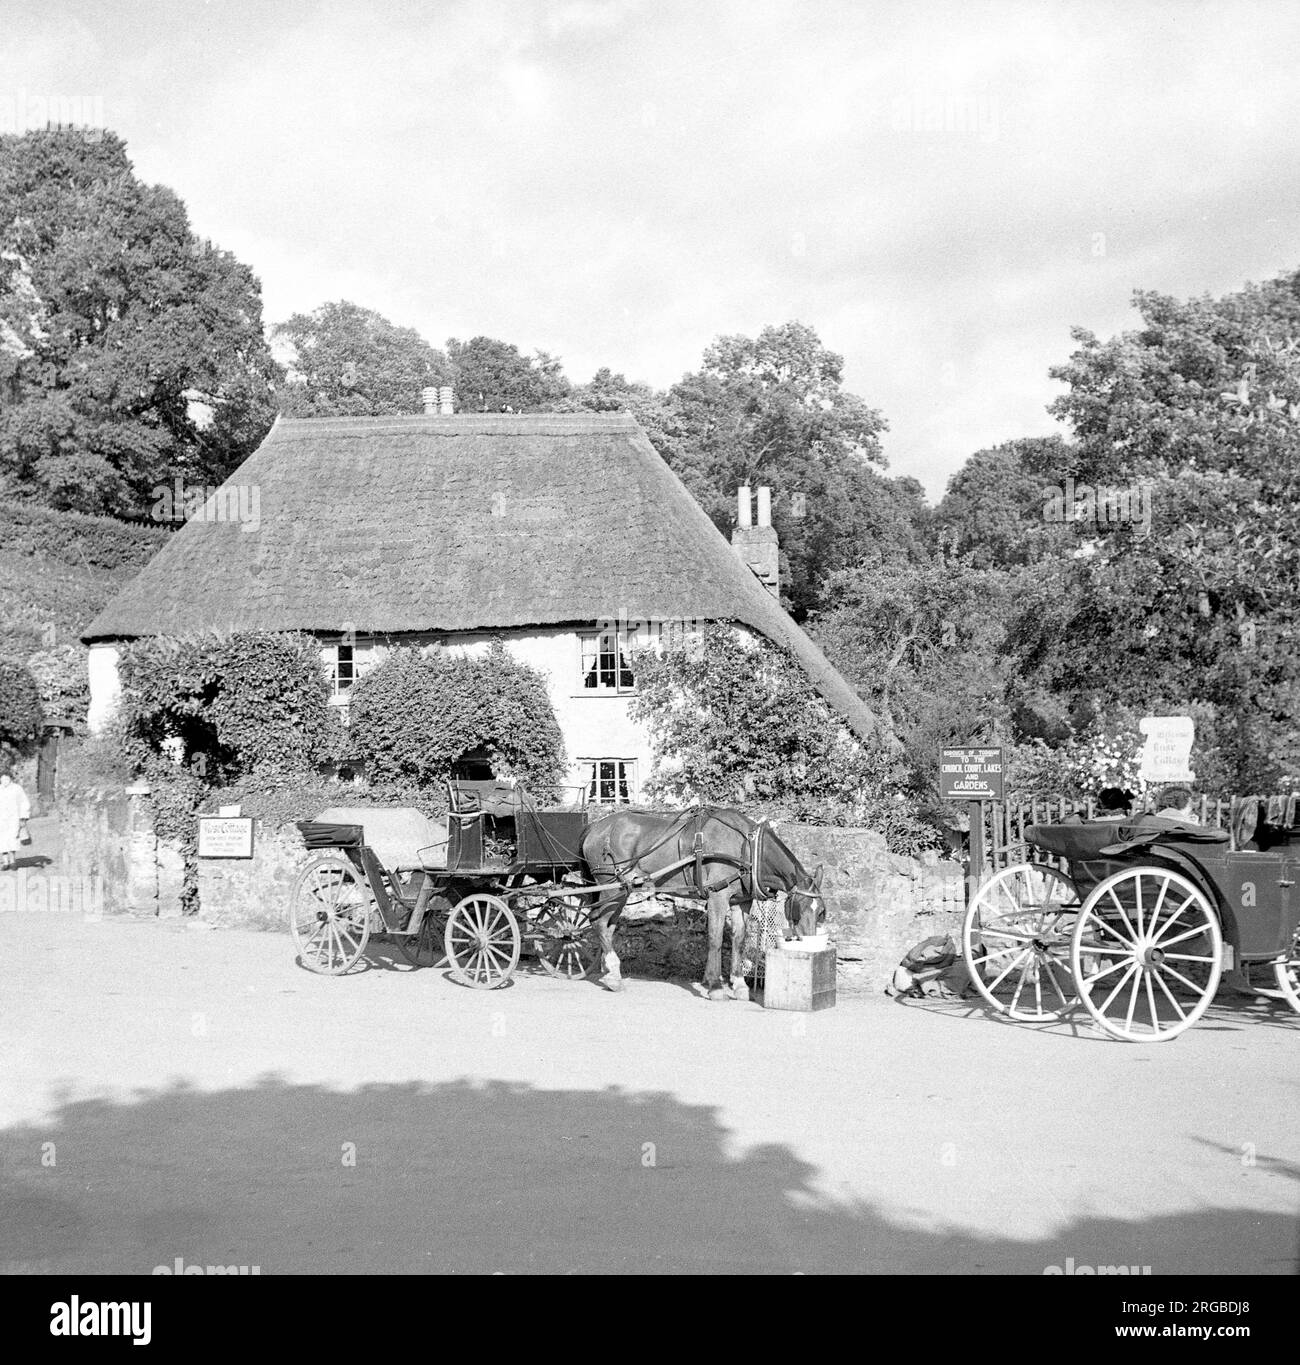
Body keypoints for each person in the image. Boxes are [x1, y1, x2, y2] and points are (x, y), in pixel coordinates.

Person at [0, 765, 31, 870]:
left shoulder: (17, 789)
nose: (5, 781)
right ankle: (5, 862)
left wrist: (23, 817)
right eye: (2, 778)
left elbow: (24, 802)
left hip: (13, 818)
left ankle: (13, 861)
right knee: (2, 840)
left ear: (10, 778)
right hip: (1, 819)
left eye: (7, 778)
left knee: (13, 838)